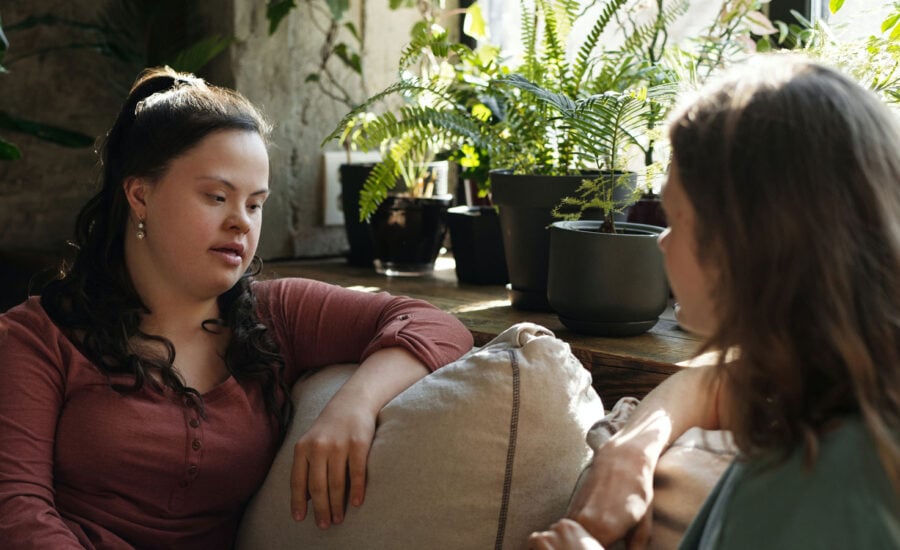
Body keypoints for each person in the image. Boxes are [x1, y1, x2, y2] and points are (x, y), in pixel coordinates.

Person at [0, 67, 473, 549]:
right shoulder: (36, 337)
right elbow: (15, 512)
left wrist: (353, 405)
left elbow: (438, 325)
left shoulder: (276, 313)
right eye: (217, 197)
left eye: (255, 204)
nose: (240, 223)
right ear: (140, 195)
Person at [530, 54, 900, 549]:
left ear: (748, 247)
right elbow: (722, 382)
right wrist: (633, 446)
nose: (662, 240)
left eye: (677, 218)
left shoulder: (815, 488)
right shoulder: (847, 388)